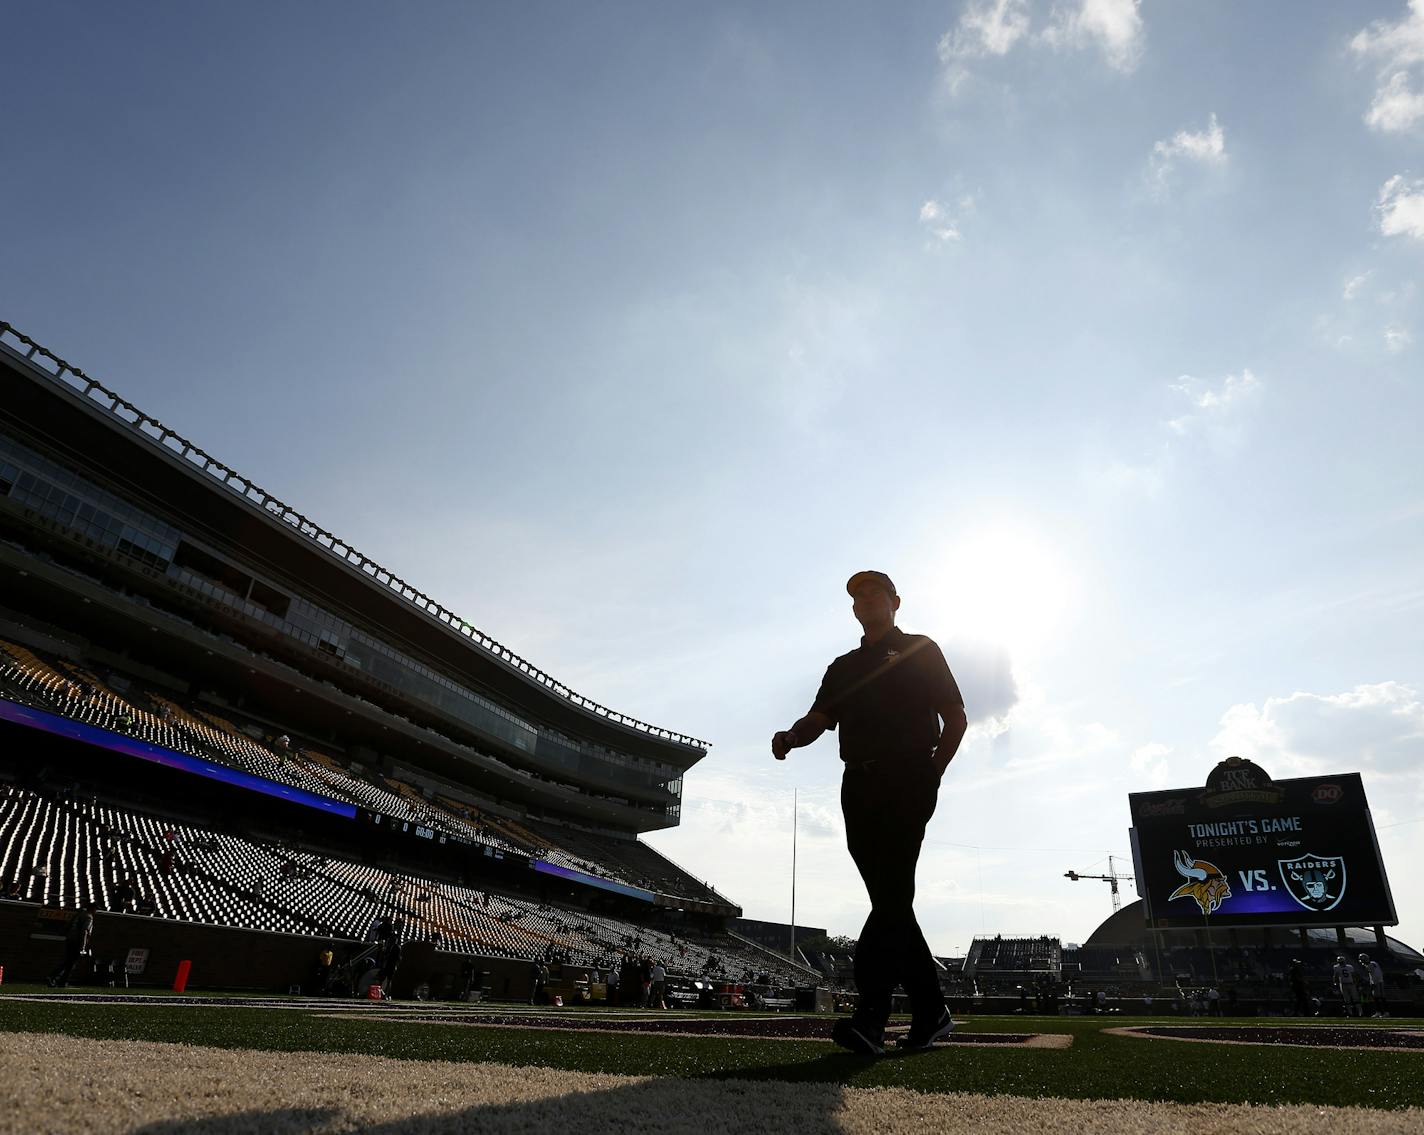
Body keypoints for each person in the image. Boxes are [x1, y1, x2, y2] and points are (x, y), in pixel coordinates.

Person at [773, 570, 967, 1055]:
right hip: (857, 784)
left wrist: (933, 772)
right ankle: (931, 1010)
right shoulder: (843, 666)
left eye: (872, 592)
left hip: (907, 779)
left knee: (892, 894)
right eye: (856, 595)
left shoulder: (922, 648)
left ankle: (871, 1015)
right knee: (890, 899)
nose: (863, 599)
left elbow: (956, 717)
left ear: (894, 601)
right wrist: (793, 737)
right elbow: (820, 717)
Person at [47, 902, 96, 987]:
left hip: (70, 939)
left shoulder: (79, 914)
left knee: (69, 961)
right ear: (92, 909)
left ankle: (61, 980)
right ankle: (54, 977)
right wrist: (83, 946)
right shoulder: (89, 917)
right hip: (77, 941)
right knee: (70, 962)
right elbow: (85, 931)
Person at [1358, 953, 1388, 1018]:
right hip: (1379, 981)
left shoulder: (1369, 965)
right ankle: (1379, 1012)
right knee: (1377, 998)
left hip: (1377, 982)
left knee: (1380, 998)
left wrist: (1374, 983)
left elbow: (1374, 975)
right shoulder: (1374, 963)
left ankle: (1384, 1012)